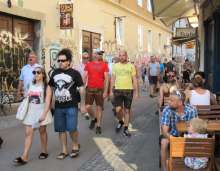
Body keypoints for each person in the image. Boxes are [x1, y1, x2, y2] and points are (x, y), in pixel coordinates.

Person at [47, 48, 86, 160]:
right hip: (59, 107)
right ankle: (64, 150)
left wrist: (82, 105)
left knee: (72, 128)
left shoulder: (75, 73)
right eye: (59, 60)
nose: (60, 63)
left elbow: (82, 89)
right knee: (61, 129)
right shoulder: (55, 73)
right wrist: (51, 103)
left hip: (71, 106)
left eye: (63, 60)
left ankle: (75, 145)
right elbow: (51, 88)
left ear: (68, 61)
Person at [13, 66, 53, 165]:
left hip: (41, 111)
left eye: (38, 72)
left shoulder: (47, 87)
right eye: (34, 72)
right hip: (31, 111)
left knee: (42, 131)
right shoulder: (31, 84)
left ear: (43, 74)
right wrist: (24, 95)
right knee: (28, 133)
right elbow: (28, 95)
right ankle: (24, 156)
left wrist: (44, 114)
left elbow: (48, 102)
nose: (36, 74)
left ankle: (44, 151)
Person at [160, 90, 198, 171]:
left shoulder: (191, 110)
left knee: (199, 141)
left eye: (171, 100)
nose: (168, 102)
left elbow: (196, 128)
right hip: (172, 135)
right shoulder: (167, 110)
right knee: (164, 142)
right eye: (169, 100)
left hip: (189, 135)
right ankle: (165, 168)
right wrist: (176, 140)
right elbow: (164, 131)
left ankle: (192, 165)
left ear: (180, 102)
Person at [110, 50, 138, 136]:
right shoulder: (115, 66)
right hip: (118, 90)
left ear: (126, 56)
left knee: (127, 110)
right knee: (118, 109)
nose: (121, 57)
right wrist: (111, 90)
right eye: (120, 55)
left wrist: (136, 92)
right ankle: (121, 121)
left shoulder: (131, 66)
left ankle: (125, 128)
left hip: (128, 90)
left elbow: (134, 79)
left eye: (123, 55)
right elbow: (113, 78)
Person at [83, 49, 109, 134]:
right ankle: (94, 118)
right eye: (97, 53)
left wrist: (105, 91)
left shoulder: (104, 65)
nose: (98, 55)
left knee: (99, 108)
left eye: (100, 54)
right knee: (87, 107)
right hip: (90, 88)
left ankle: (98, 126)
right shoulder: (88, 64)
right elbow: (85, 76)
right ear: (93, 54)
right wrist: (82, 86)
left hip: (100, 89)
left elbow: (107, 79)